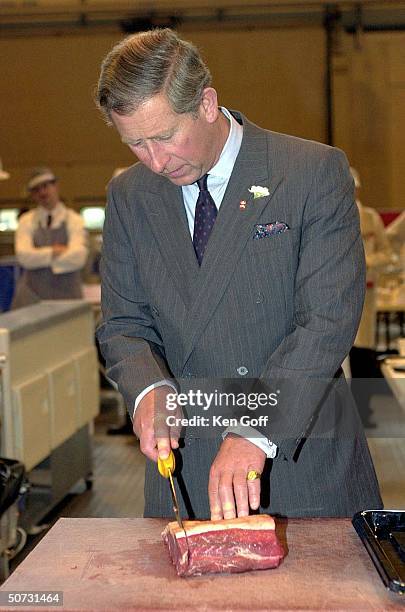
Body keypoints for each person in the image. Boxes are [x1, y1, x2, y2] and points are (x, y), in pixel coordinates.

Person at [95, 28, 382, 519]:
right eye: (136, 144)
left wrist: (254, 426)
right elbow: (123, 324)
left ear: (207, 103)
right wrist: (148, 389)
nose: (156, 161)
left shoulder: (310, 172)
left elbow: (327, 321)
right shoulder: (130, 196)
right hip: (183, 468)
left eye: (165, 136)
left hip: (300, 455)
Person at [348, 168, 393, 428]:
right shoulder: (334, 214)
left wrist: (368, 263)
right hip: (343, 294)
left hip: (368, 294)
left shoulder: (370, 219)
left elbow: (386, 254)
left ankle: (364, 410)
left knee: (364, 354)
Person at [12, 167, 88, 308]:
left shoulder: (74, 219)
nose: (42, 192)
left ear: (56, 186)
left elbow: (79, 257)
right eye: (36, 190)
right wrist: (55, 252)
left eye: (45, 186)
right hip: (32, 300)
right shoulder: (26, 221)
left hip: (68, 299)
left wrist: (38, 257)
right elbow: (23, 257)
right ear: (32, 195)